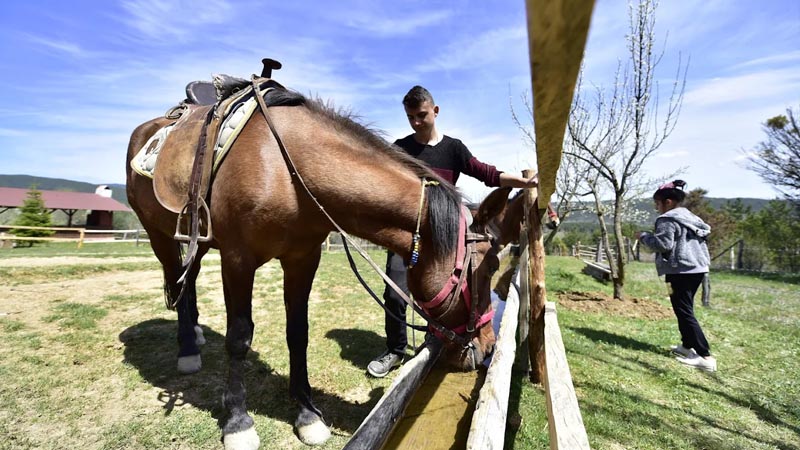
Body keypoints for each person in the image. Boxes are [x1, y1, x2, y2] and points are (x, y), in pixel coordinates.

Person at [367, 85, 538, 377]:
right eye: (410, 117)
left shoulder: (453, 148)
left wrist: (525, 184)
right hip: (409, 238)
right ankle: (395, 351)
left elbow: (487, 174)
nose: (416, 122)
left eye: (421, 115)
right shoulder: (400, 149)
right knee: (395, 295)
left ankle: (434, 341)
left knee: (444, 296)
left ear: (435, 111)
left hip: (445, 241)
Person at [636, 180, 716, 372]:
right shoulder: (689, 216)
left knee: (684, 311)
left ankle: (705, 357)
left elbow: (663, 244)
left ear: (668, 202)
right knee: (683, 308)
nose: (657, 207)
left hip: (680, 271)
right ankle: (687, 346)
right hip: (696, 269)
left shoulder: (667, 219)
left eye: (658, 203)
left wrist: (644, 237)